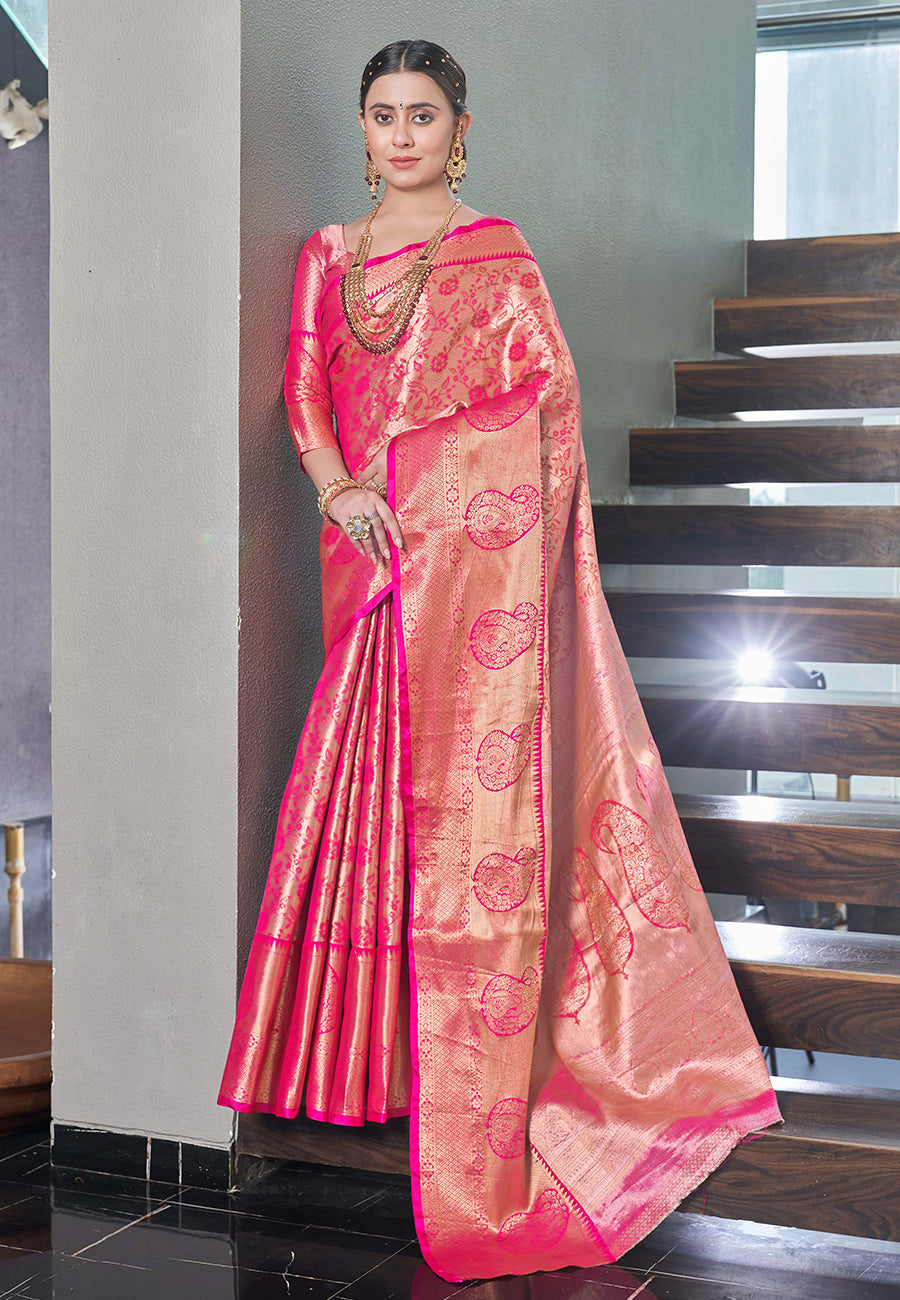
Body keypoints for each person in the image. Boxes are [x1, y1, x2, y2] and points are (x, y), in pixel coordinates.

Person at [217, 37, 782, 1284]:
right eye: (382, 114)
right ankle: (355, 1064)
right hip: (364, 554)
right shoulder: (328, 255)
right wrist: (337, 487)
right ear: (362, 130)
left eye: (423, 114)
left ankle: (470, 1074)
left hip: (458, 570)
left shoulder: (497, 253)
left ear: (459, 130)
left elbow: (547, 406)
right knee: (360, 788)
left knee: (457, 815)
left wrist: (420, 486)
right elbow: (304, 389)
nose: (401, 134)